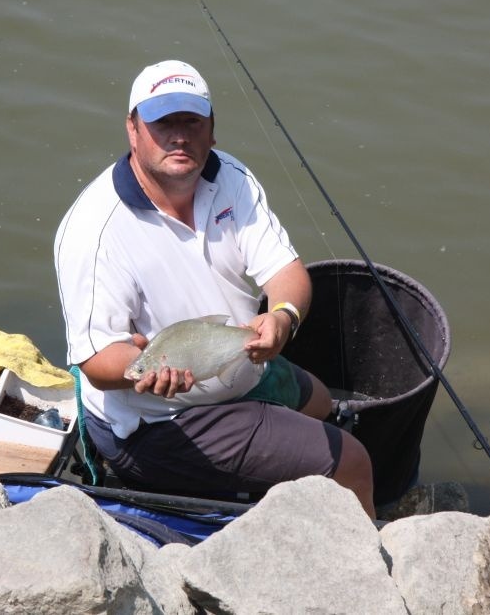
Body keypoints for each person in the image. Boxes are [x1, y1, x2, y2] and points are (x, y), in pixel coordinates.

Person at [53, 59, 375, 519]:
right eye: (163, 122)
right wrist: (143, 373)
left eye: (191, 121)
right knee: (353, 462)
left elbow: (288, 272)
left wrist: (283, 317)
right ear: (133, 129)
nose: (179, 136)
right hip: (160, 420)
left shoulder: (231, 179)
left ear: (211, 129)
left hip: (237, 362)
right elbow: (96, 361)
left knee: (321, 402)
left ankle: (273, 490)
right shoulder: (94, 230)